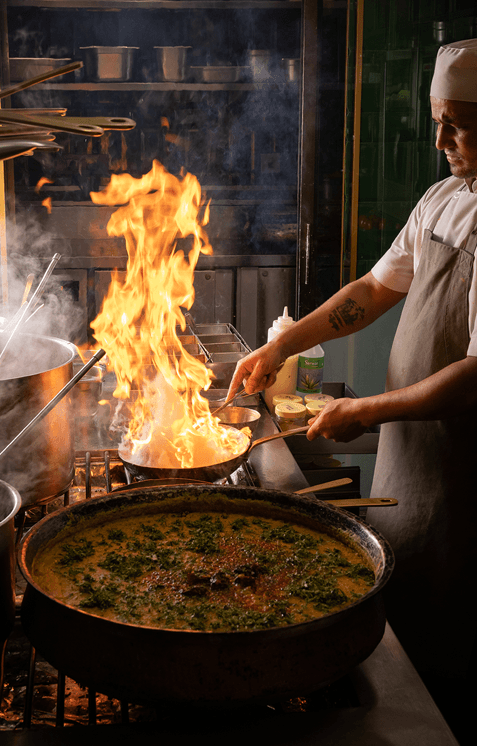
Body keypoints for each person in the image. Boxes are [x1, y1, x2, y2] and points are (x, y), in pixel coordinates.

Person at [228, 38, 477, 742]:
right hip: (410, 453)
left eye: (456, 123)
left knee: (454, 639)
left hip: (463, 475)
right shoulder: (442, 199)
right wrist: (284, 344)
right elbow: (372, 290)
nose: (439, 139)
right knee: (402, 617)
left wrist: (364, 410)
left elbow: (473, 378)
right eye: (437, 119)